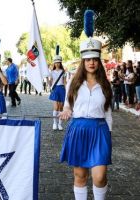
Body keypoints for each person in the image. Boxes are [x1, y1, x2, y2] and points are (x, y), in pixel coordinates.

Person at [59, 34, 112, 199]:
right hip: (79, 130)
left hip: (99, 131)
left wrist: (109, 134)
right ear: (83, 61)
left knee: (100, 176)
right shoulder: (73, 82)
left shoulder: (105, 84)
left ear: (99, 61)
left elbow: (108, 112)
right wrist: (67, 110)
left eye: (95, 59)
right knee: (80, 176)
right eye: (88, 59)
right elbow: (68, 104)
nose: (91, 62)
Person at [49, 52, 66, 130]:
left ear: (60, 63)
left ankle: (60, 124)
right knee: (56, 107)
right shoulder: (51, 72)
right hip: (55, 89)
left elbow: (65, 82)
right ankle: (54, 123)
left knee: (61, 108)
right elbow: (50, 81)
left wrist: (68, 90)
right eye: (56, 63)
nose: (57, 64)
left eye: (58, 63)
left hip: (62, 89)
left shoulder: (63, 72)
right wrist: (48, 83)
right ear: (54, 63)